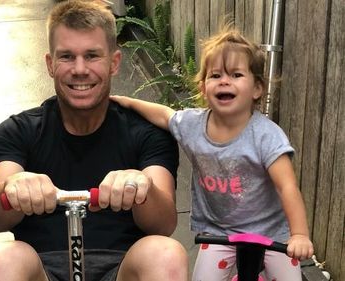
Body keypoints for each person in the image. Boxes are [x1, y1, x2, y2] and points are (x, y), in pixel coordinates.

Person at [0, 1, 188, 281]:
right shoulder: (17, 130)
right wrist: (12, 187)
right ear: (50, 64)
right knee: (1, 256)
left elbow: (164, 223)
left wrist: (143, 187)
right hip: (41, 268)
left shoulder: (147, 133)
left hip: (123, 267)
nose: (80, 69)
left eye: (92, 56)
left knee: (165, 252)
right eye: (66, 57)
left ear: (113, 63)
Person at [111, 26, 314, 280]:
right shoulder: (193, 126)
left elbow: (287, 187)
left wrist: (299, 235)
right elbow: (165, 114)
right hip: (219, 232)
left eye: (236, 74)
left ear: (257, 89)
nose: (224, 81)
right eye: (215, 75)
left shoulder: (266, 136)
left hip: (270, 231)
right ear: (204, 87)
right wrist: (128, 102)